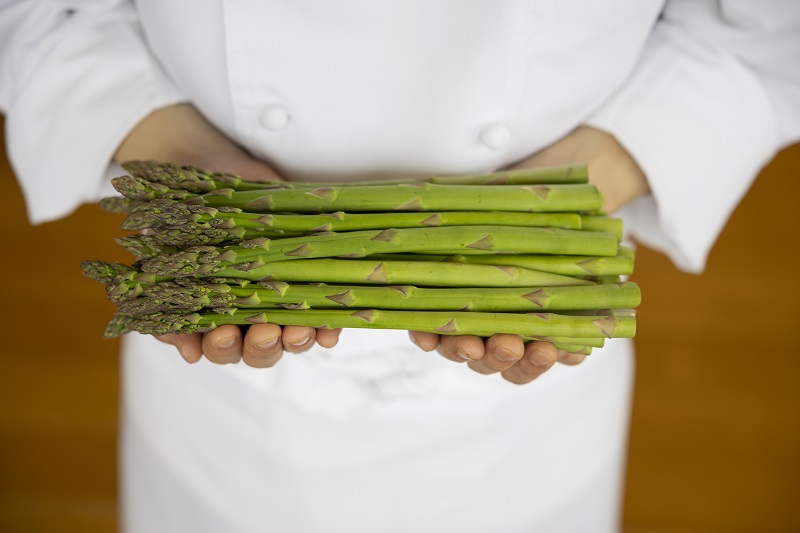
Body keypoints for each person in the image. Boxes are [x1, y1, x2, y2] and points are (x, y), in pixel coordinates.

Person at [2, 1, 798, 532]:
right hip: (224, 420)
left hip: (527, 441)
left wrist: (599, 172)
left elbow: (760, 35)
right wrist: (166, 145)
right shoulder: (206, 248)